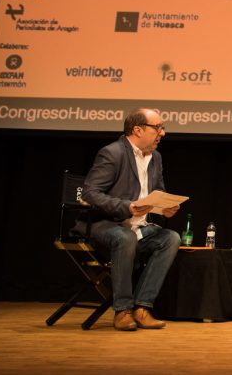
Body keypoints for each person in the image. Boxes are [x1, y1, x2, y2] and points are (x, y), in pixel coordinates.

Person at [75, 108, 182, 331]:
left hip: (138, 226)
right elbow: (90, 193)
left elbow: (158, 191)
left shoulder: (155, 157)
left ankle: (142, 308)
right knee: (125, 237)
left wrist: (165, 207)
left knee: (170, 238)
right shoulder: (113, 153)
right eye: (158, 127)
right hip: (105, 224)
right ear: (138, 130)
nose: (163, 133)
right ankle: (122, 310)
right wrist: (127, 206)